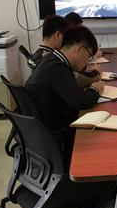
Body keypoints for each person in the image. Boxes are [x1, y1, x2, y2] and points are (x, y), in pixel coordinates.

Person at [25, 25, 105, 169]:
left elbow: (74, 93)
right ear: (79, 49)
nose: (86, 63)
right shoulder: (56, 68)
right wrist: (96, 89)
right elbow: (82, 101)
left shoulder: (52, 60)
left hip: (45, 130)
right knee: (102, 137)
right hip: (55, 134)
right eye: (88, 57)